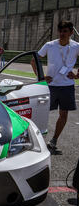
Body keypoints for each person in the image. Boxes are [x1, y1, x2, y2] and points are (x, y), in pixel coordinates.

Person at [31, 20, 79, 155]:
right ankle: (34, 139)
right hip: (50, 86)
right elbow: (34, 60)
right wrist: (41, 77)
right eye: (60, 31)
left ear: (71, 32)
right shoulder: (49, 45)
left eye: (65, 31)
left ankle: (54, 141)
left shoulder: (76, 46)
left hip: (67, 86)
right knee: (40, 113)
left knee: (63, 114)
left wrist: (76, 75)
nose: (62, 34)